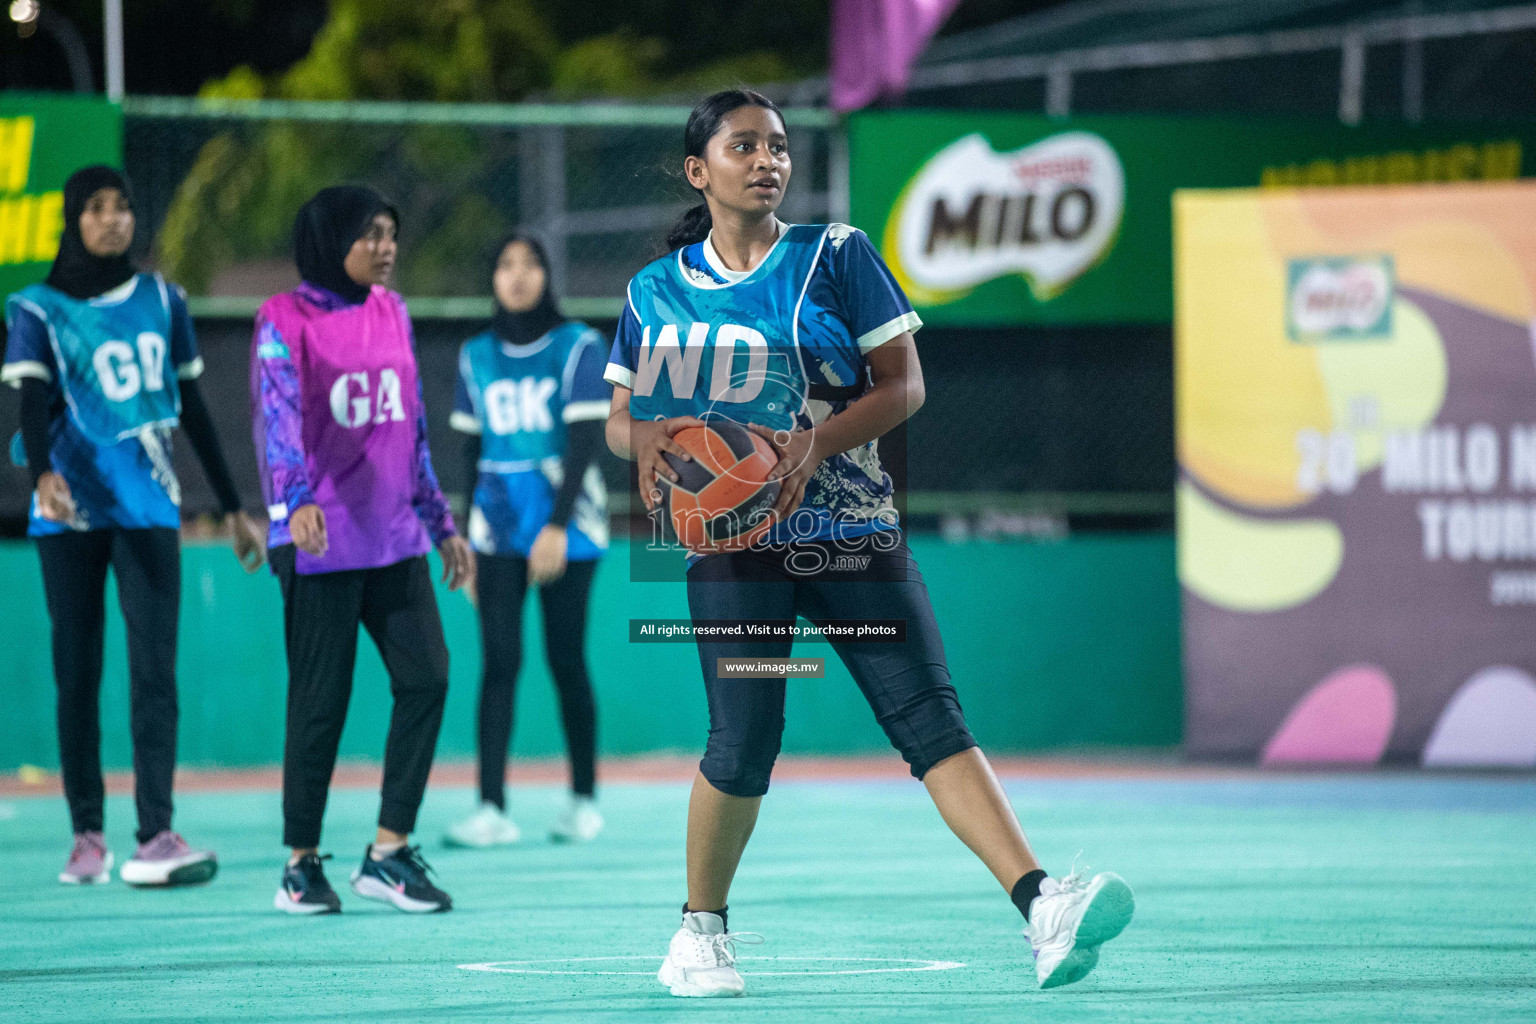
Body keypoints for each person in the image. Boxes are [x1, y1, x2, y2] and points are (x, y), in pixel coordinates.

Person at [603, 91, 1135, 996]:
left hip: (848, 528)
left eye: (778, 146)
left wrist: (816, 441)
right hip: (728, 544)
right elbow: (624, 419)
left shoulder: (835, 254)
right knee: (743, 739)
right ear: (701, 170)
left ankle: (1041, 905)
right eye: (745, 147)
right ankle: (699, 936)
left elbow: (905, 386)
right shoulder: (652, 291)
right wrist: (641, 439)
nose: (769, 159)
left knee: (932, 721)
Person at [3, 165, 265, 888]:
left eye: (123, 206)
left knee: (156, 675)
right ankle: (87, 834)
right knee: (76, 675)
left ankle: (155, 833)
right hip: (70, 515)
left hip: (150, 510)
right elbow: (28, 402)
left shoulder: (162, 299)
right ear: (73, 219)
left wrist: (232, 506)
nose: (114, 219)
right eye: (98, 208)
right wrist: (45, 477)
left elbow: (193, 408)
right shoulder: (38, 308)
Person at [252, 185, 474, 915]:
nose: (385, 246)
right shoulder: (284, 320)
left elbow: (410, 432)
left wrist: (441, 523)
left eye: (391, 232)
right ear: (329, 239)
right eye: (370, 234)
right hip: (317, 537)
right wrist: (293, 501)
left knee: (428, 678)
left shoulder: (393, 310)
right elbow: (276, 420)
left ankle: (387, 851)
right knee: (321, 702)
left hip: (393, 535)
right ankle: (300, 863)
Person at [443, 233, 611, 849]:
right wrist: (462, 541)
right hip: (496, 531)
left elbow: (586, 443)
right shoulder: (476, 356)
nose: (517, 275)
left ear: (548, 275)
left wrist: (558, 527)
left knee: (566, 660)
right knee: (498, 664)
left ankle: (583, 800)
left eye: (530, 264)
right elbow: (467, 452)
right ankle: (491, 807)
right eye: (505, 264)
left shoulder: (579, 347)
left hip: (567, 529)